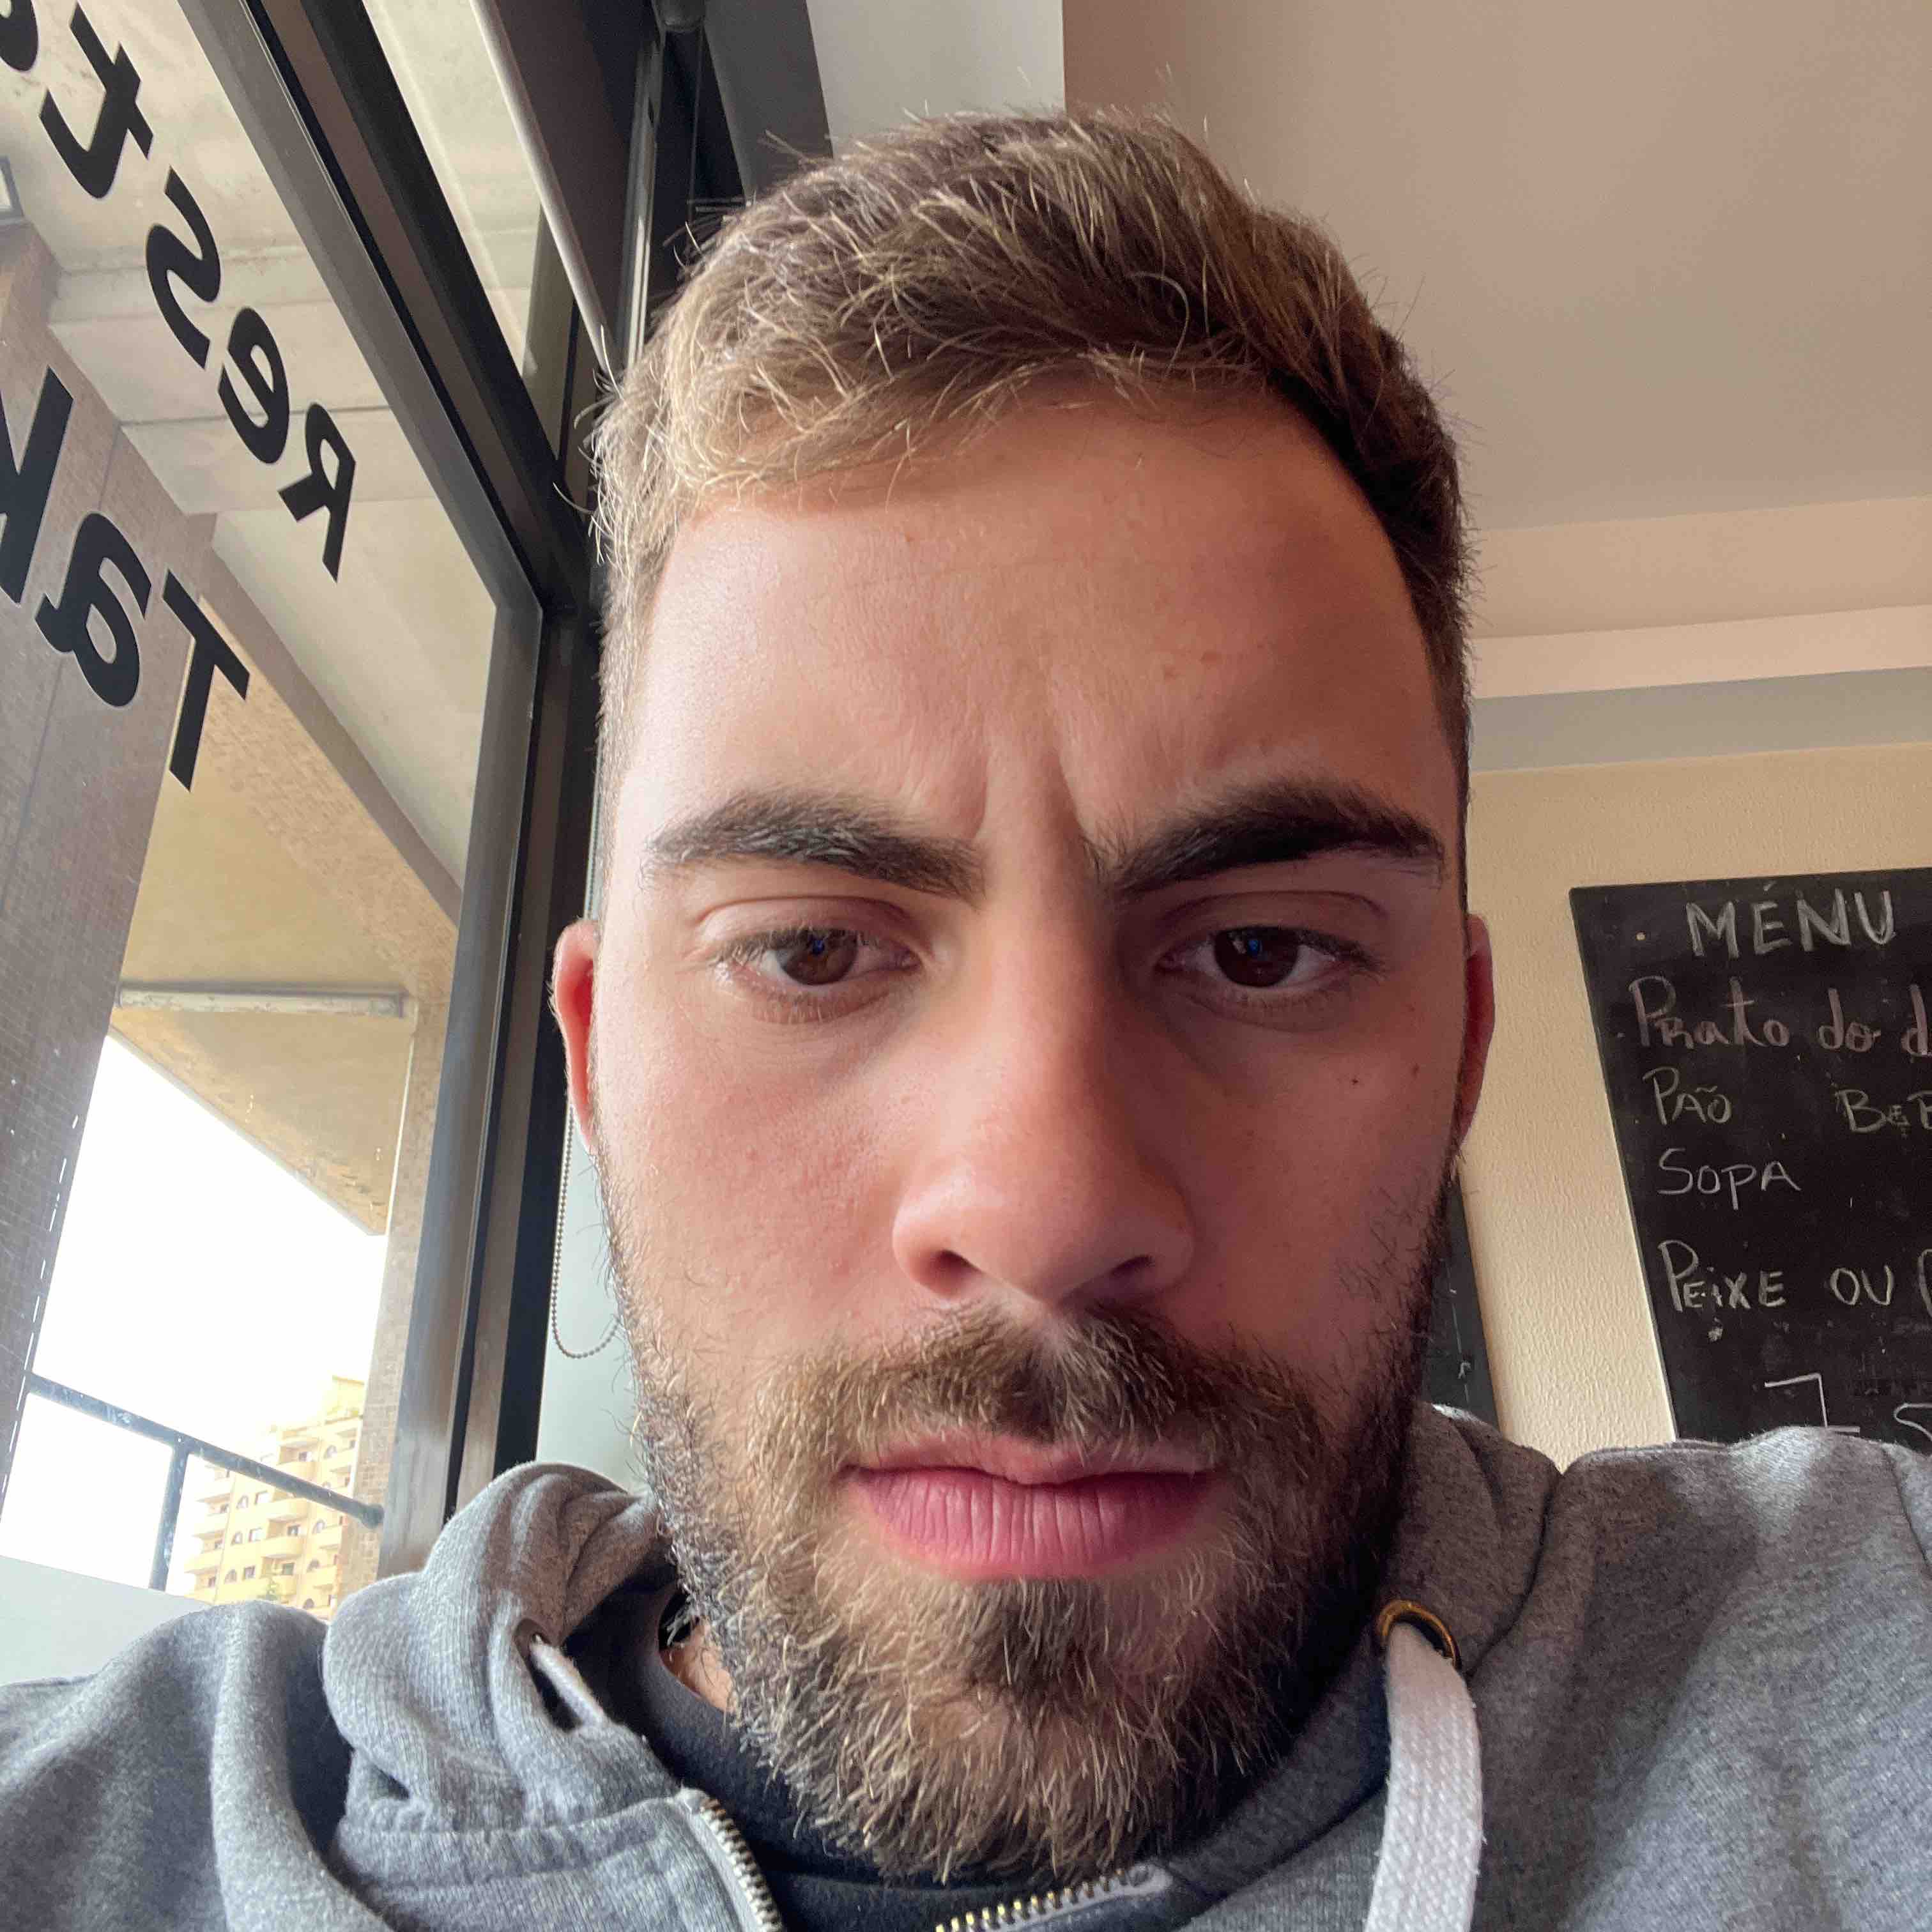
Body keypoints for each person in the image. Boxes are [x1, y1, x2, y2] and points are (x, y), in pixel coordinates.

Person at [2, 108, 1928, 1932]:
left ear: (1461, 1061)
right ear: (595, 1062)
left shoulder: (1860, 1646)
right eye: (811, 952)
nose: (1047, 1207)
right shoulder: (103, 1834)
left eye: (1265, 951)